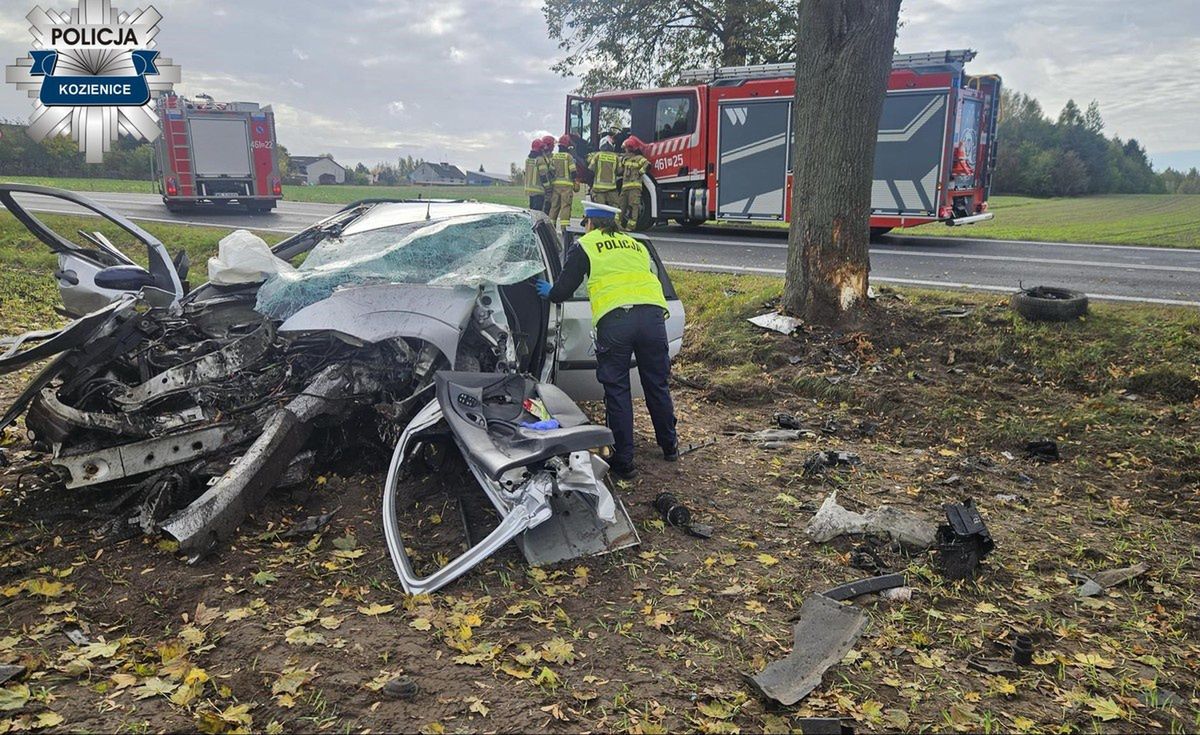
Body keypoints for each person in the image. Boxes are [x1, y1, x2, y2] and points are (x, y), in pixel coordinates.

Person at [535, 201, 678, 479]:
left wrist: (550, 291)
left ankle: (624, 462)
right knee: (656, 384)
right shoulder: (635, 244)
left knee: (617, 389)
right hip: (653, 318)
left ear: (589, 223)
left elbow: (563, 289)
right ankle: (669, 445)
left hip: (617, 321)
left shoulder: (586, 245)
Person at [546, 134, 578, 229]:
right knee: (565, 207)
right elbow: (573, 172)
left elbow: (551, 172)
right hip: (566, 187)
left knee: (554, 207)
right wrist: (575, 181)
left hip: (555, 186)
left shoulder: (554, 157)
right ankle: (565, 229)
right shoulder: (569, 157)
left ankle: (551, 228)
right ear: (567, 146)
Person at [619, 136, 650, 230]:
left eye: (626, 149)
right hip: (625, 188)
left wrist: (640, 172)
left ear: (630, 148)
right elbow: (620, 170)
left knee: (633, 206)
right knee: (621, 206)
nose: (625, 151)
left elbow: (647, 164)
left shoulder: (639, 158)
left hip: (635, 188)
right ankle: (617, 225)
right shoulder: (625, 159)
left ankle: (631, 226)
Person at [586, 137, 621, 209]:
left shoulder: (597, 156)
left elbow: (590, 170)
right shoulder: (616, 157)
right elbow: (620, 171)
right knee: (615, 208)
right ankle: (614, 220)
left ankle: (601, 220)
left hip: (598, 189)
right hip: (612, 189)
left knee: (600, 209)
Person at [523, 138, 549, 212]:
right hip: (538, 191)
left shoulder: (528, 159)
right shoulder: (540, 160)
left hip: (529, 190)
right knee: (537, 213)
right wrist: (548, 188)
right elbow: (543, 176)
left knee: (532, 211)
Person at [539, 135, 556, 214]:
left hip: (544, 185)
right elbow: (551, 170)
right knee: (546, 204)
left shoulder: (544, 155)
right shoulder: (544, 157)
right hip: (546, 185)